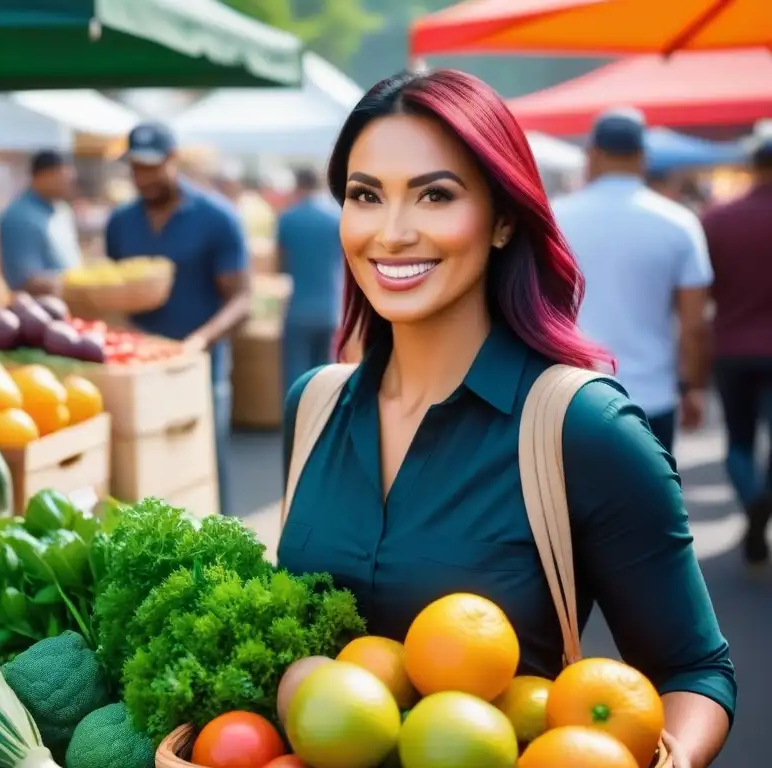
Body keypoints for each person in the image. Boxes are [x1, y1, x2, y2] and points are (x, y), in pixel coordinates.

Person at [278, 71, 734, 766]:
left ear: (502, 219)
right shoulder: (312, 406)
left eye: (435, 194)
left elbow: (694, 671)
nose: (393, 233)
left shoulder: (582, 427)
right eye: (365, 195)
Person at [106, 123, 250, 516]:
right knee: (147, 480)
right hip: (136, 368)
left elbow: (241, 299)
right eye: (135, 167)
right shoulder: (120, 222)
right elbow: (117, 286)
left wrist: (200, 340)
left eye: (151, 167)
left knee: (202, 470)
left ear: (173, 160)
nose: (143, 177)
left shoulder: (216, 217)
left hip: (198, 367)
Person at [552, 108, 712, 455]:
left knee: (569, 506)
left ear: (592, 154)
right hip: (651, 397)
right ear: (643, 157)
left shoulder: (554, 217)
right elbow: (695, 325)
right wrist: (693, 388)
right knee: (652, 505)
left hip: (569, 394)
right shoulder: (679, 222)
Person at [701, 137, 772, 565]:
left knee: (739, 441)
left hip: (730, 345)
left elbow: (700, 289)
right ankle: (761, 503)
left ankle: (752, 504)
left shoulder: (718, 219)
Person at [277, 166, 343, 398]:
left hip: (298, 307)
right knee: (326, 374)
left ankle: (294, 428)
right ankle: (323, 429)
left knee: (296, 376)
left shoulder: (287, 218)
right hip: (331, 308)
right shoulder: (337, 217)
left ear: (297, 185)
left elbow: (280, 264)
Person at [0, 150, 81, 296]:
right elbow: (26, 280)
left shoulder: (61, 211)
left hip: (71, 305)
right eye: (62, 177)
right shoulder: (20, 218)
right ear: (42, 177)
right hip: (37, 311)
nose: (68, 183)